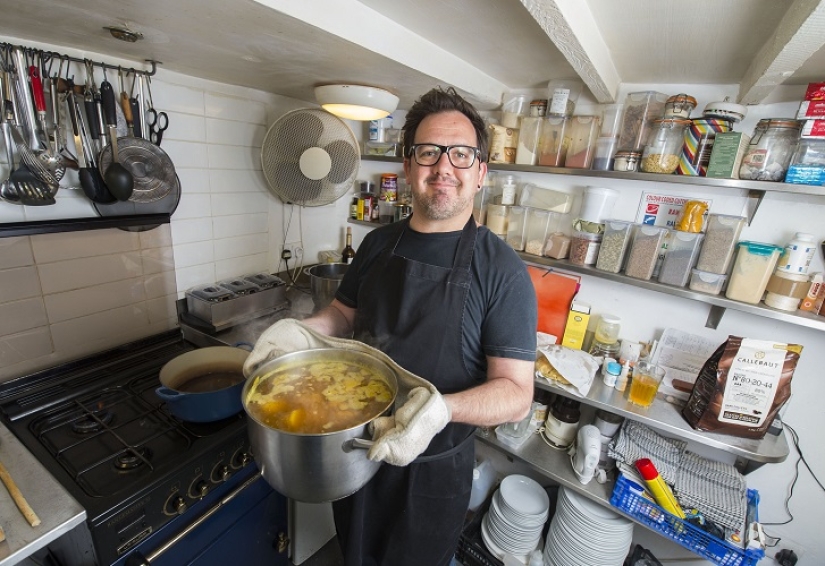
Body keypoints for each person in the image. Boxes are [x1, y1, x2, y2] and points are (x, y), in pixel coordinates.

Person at [251, 87, 538, 566]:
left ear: (481, 172)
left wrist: (441, 411)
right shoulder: (377, 244)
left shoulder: (502, 269)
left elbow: (515, 393)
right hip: (357, 453)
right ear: (409, 167)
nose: (443, 167)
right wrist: (302, 332)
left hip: (431, 476)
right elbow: (343, 315)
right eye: (428, 152)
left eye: (461, 154)